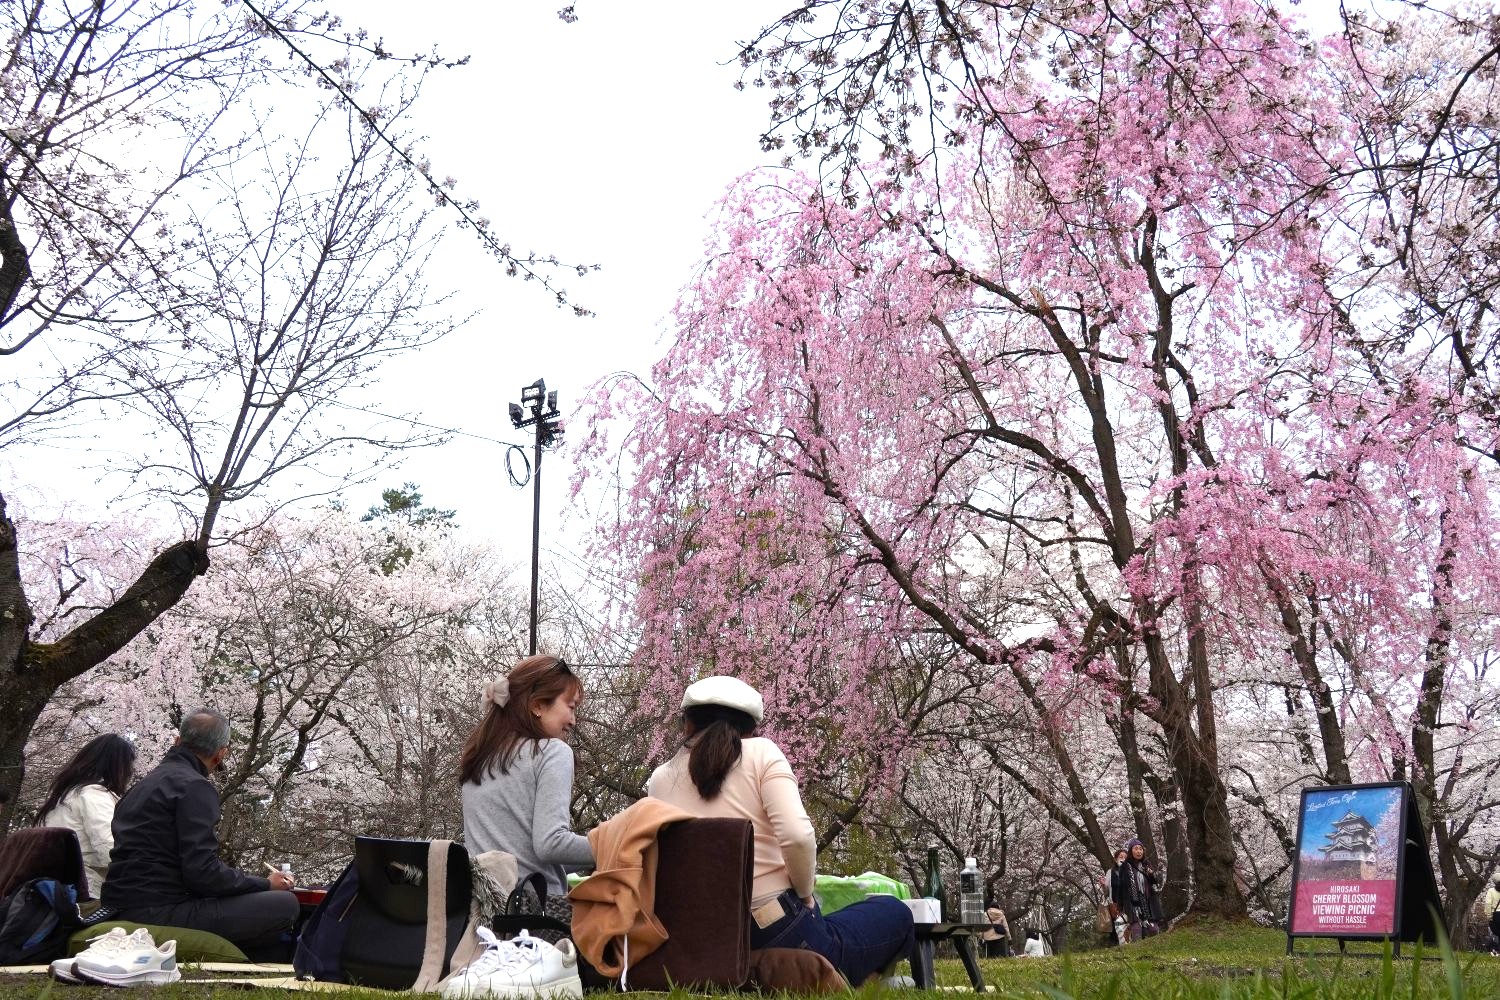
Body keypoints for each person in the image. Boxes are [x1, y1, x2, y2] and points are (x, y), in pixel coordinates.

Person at [645, 675, 914, 986]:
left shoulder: (660, 779)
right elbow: (798, 836)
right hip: (771, 925)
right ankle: (854, 979)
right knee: (893, 911)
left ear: (687, 724)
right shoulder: (762, 753)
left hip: (700, 939)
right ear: (749, 728)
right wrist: (805, 895)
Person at [100, 709, 298, 956]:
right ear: (220, 754)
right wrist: (264, 884)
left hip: (120, 904)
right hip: (161, 909)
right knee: (285, 904)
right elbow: (202, 874)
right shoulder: (194, 786)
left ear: (177, 741)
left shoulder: (141, 787)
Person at [459, 654, 593, 934]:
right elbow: (549, 844)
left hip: (481, 921)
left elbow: (524, 851)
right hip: (538, 919)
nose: (573, 720)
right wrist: (611, 845)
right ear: (538, 705)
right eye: (570, 707)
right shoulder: (552, 752)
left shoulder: (479, 759)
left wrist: (589, 855)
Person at [34, 734, 137, 899]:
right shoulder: (94, 795)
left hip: (55, 887)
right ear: (117, 766)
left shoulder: (63, 796)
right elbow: (111, 850)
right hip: (86, 892)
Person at [1118, 839, 1163, 941]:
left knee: (1153, 928)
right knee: (1136, 928)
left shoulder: (1146, 864)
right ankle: (1138, 951)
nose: (1139, 851)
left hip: (1148, 900)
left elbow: (1154, 881)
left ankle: (1157, 948)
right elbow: (1121, 887)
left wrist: (1151, 874)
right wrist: (1120, 906)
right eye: (1136, 849)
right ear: (1130, 851)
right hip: (1132, 903)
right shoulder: (1125, 866)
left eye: (1140, 849)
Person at [1105, 847, 1128, 945]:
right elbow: (1106, 891)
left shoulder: (1130, 871)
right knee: (1118, 925)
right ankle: (1120, 944)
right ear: (1115, 859)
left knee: (1129, 924)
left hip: (1128, 903)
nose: (1123, 859)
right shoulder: (1110, 872)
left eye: (1125, 857)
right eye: (1121, 857)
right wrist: (1103, 885)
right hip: (1115, 904)